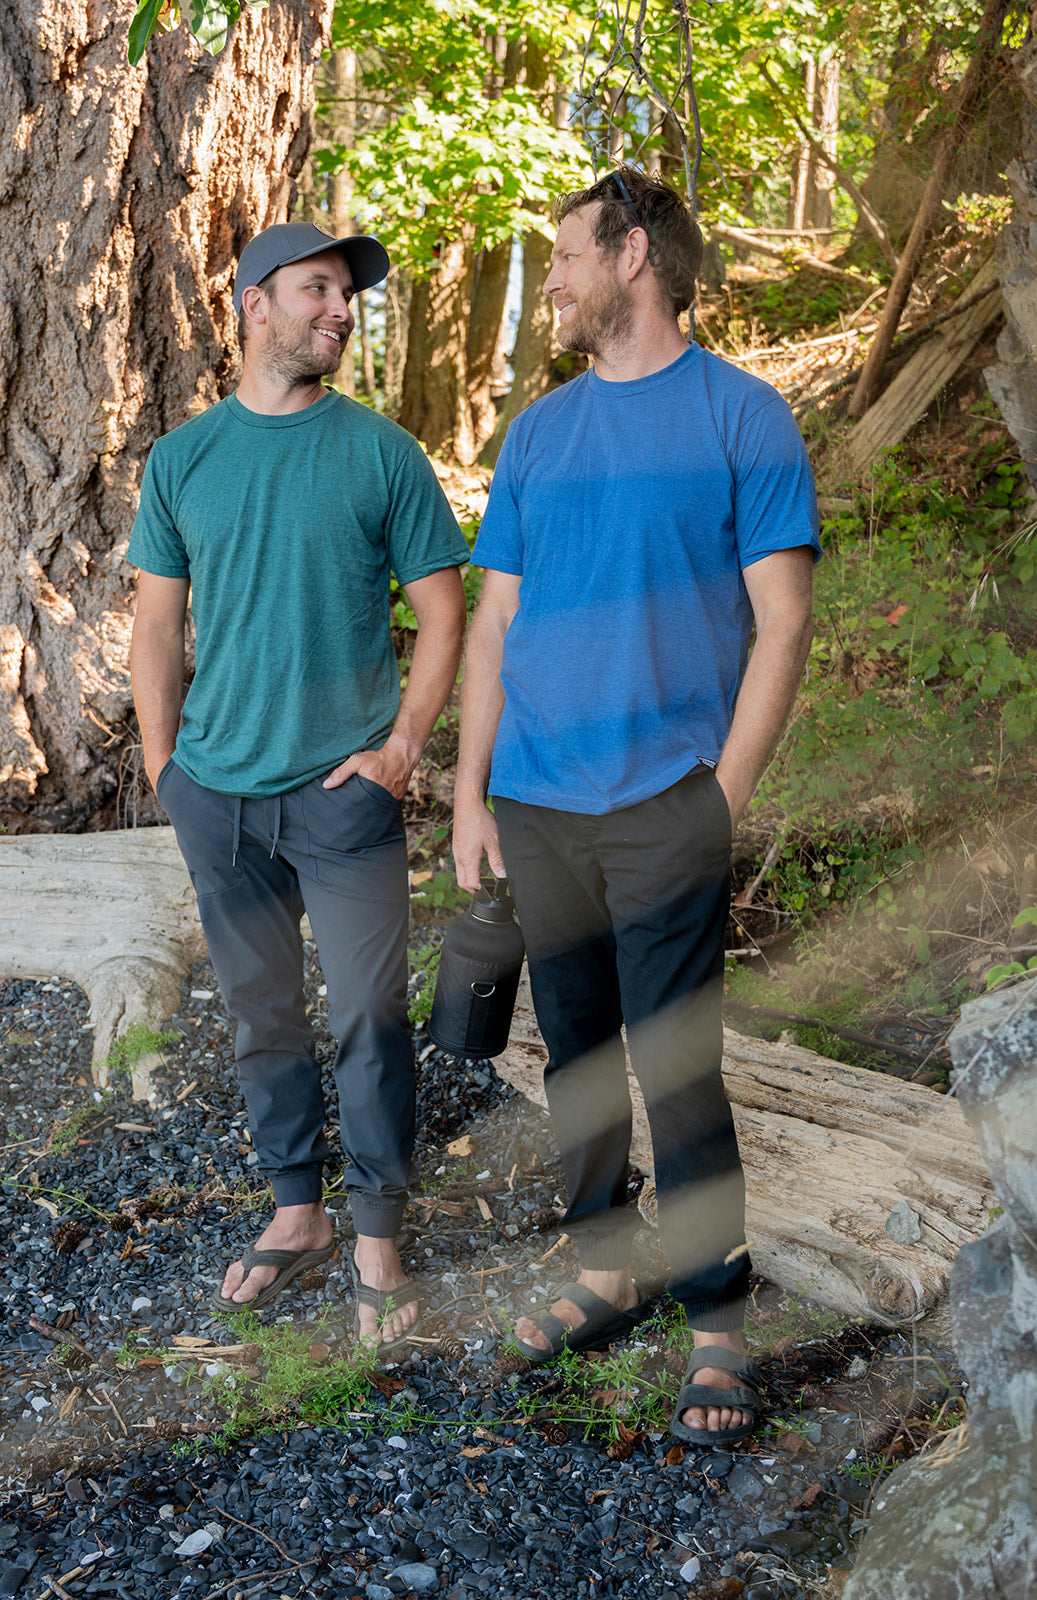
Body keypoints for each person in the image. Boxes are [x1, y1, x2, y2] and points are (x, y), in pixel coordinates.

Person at [453, 167, 820, 1445]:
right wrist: (469, 795)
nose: (548, 281)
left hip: (667, 801)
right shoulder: (542, 433)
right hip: (538, 800)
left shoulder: (743, 418)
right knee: (576, 1056)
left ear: (632, 257)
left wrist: (719, 800)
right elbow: (495, 624)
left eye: (563, 256)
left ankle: (717, 1319)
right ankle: (604, 1269)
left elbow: (782, 624)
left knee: (678, 1069)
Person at [129, 221, 469, 1353]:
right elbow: (156, 626)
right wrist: (165, 769)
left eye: (348, 295)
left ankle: (376, 1231)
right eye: (316, 289)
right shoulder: (182, 460)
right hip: (216, 794)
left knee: (371, 1016)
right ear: (252, 304)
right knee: (260, 1016)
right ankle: (298, 1209)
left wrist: (401, 748)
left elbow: (441, 613)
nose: (339, 309)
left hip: (343, 796)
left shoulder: (381, 453)